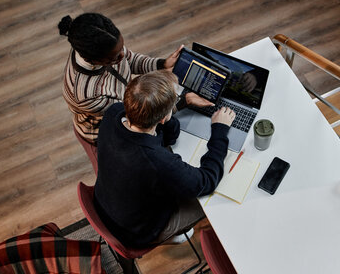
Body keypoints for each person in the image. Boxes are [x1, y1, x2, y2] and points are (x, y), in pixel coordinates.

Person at [94, 70, 235, 247]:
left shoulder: (114, 112)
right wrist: (220, 130)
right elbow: (206, 181)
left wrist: (165, 116)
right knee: (213, 201)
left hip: (105, 205)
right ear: (163, 117)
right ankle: (172, 233)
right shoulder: (157, 161)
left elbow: (170, 137)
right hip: (135, 232)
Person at [59, 13, 211, 172]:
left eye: (121, 48)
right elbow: (137, 116)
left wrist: (162, 64)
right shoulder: (87, 94)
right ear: (94, 61)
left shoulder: (106, 46)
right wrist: (183, 101)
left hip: (127, 106)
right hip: (105, 131)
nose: (123, 56)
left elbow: (130, 60)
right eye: (116, 57)